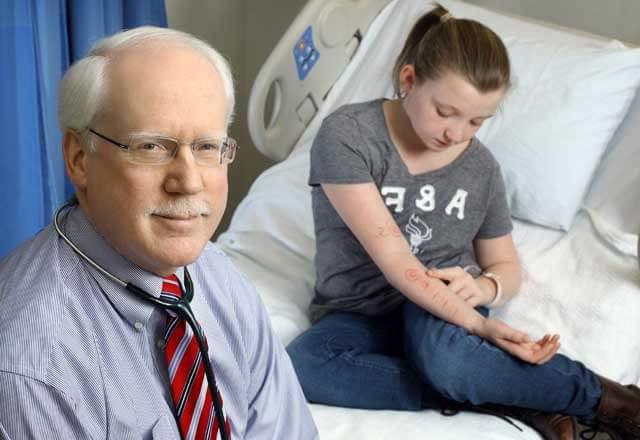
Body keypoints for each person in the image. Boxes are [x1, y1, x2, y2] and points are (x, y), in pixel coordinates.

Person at [286, 5, 640, 440]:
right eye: (445, 111)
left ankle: (610, 400)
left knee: (449, 361)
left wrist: (487, 289)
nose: (456, 133)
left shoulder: (481, 169)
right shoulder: (349, 136)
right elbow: (395, 258)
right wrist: (481, 326)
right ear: (409, 80)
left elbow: (506, 265)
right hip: (357, 310)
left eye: (476, 121)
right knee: (304, 369)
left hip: (441, 308)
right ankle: (512, 396)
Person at [0, 26, 318, 440]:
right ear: (79, 159)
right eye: (151, 147)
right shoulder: (32, 368)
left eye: (207, 147)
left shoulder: (222, 281)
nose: (188, 181)